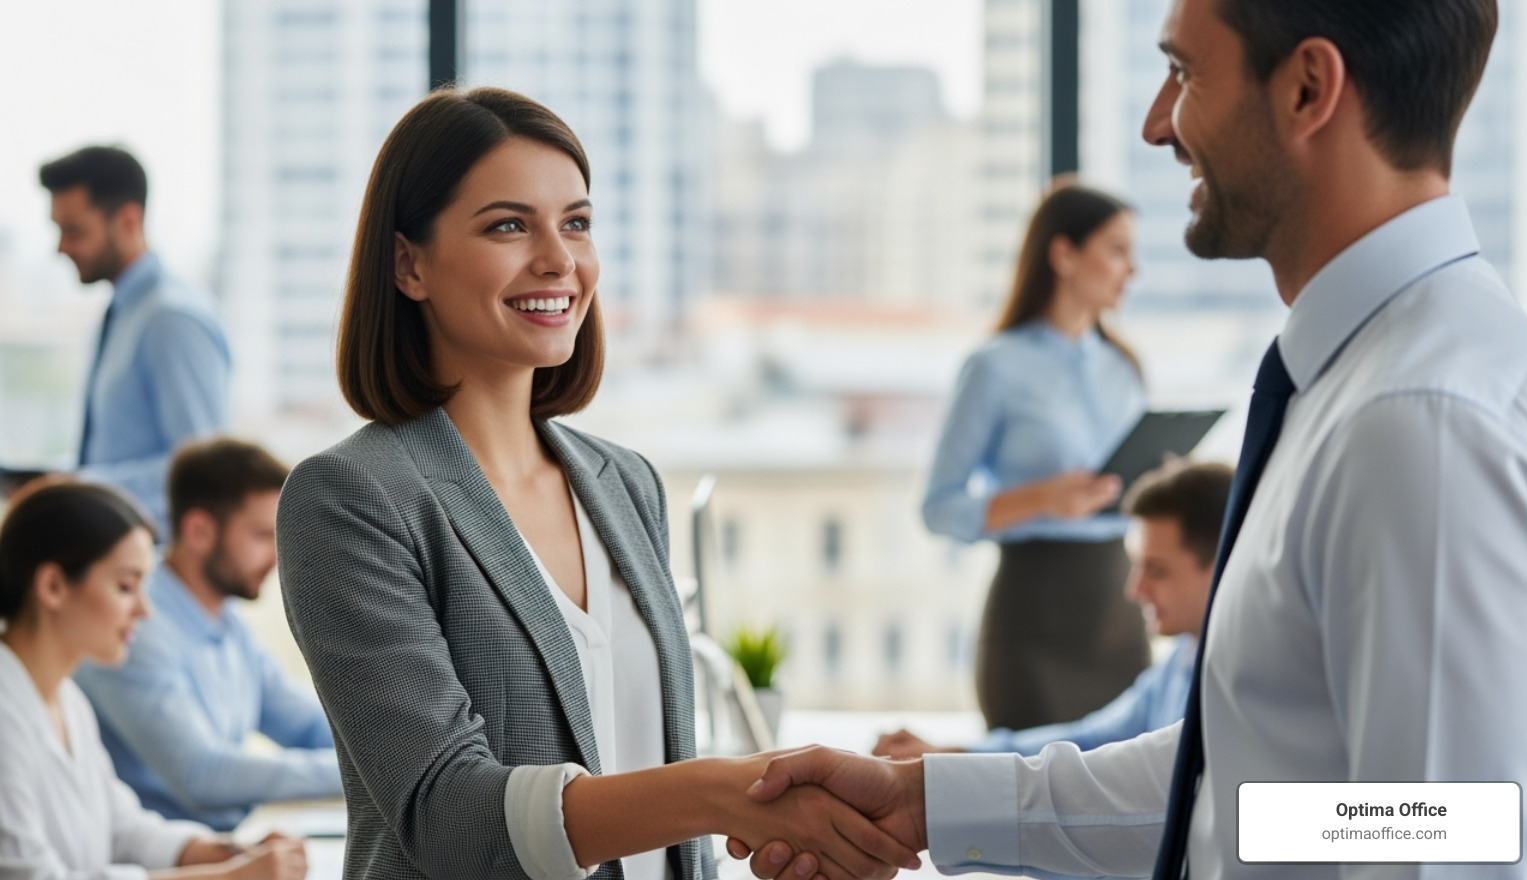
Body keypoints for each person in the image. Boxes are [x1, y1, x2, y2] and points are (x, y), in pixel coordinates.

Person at [731, 0, 1527, 878]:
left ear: (1307, 87)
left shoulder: (1416, 420)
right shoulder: (1360, 382)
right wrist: (930, 802)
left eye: (1186, 73)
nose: (1159, 122)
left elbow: (1447, 833)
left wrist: (1238, 817)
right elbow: (1267, 783)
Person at [273, 88, 920, 880]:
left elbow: (642, 758)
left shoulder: (625, 484)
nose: (559, 260)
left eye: (576, 223)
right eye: (509, 225)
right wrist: (722, 791)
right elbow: (447, 818)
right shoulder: (352, 499)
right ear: (410, 264)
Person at [922, 180, 1149, 731]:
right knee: (1024, 796)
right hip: (1032, 618)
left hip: (1119, 612)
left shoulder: (1124, 369)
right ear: (1064, 254)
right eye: (1117, 250)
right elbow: (939, 508)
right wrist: (1041, 500)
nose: (1131, 270)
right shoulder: (994, 367)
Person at [0, 478, 306, 880]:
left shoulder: (66, 700)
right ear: (53, 586)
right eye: (126, 586)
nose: (145, 610)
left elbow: (125, 831)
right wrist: (231, 878)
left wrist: (228, 853)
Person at [875, 461, 1230, 761]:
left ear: (1220, 566)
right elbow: (1089, 738)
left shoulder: (1244, 685)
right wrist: (952, 754)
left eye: (1157, 570)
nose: (1134, 590)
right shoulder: (1179, 663)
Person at [75, 438, 343, 830]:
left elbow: (305, 725)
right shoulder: (136, 626)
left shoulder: (227, 622)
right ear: (199, 531)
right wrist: (365, 771)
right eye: (262, 536)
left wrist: (388, 749)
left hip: (217, 850)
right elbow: (202, 774)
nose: (278, 555)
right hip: (157, 860)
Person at [38, 146, 231, 536]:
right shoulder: (125, 313)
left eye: (73, 230)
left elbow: (202, 475)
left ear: (127, 220)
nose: (61, 248)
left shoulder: (171, 320)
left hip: (153, 577)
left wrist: (79, 489)